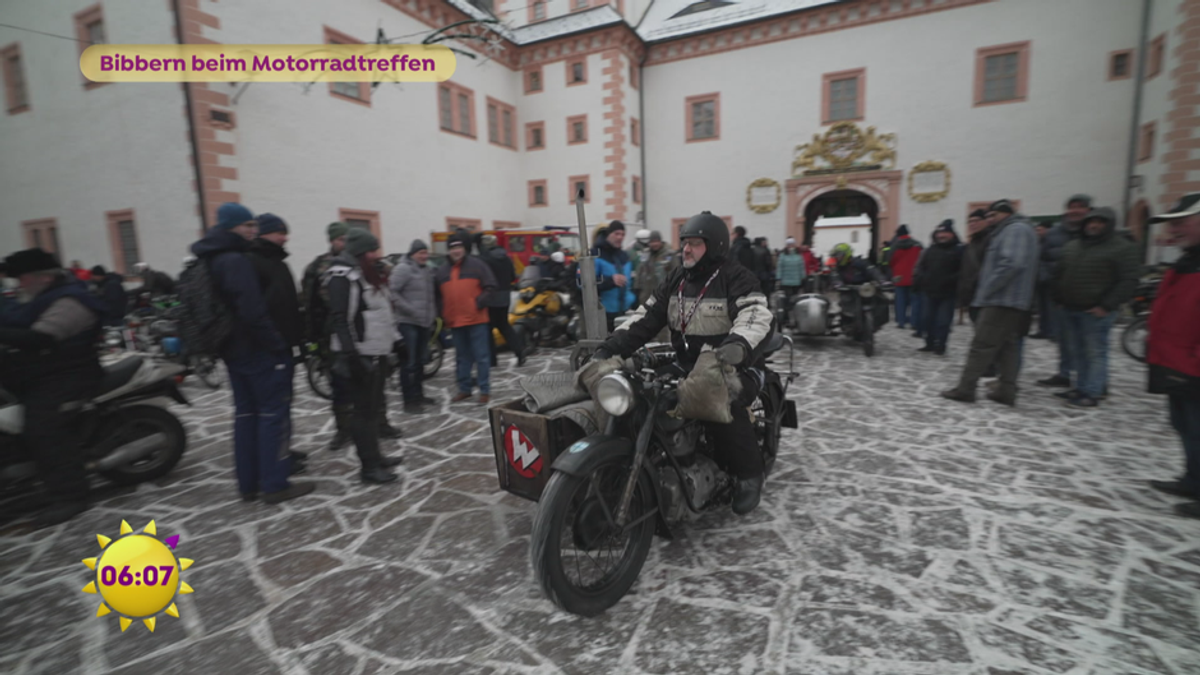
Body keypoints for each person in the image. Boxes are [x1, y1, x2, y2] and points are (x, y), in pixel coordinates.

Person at [583, 211, 774, 515]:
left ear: (715, 246)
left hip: (731, 365)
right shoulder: (677, 279)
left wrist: (736, 346)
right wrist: (608, 351)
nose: (686, 249)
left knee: (723, 403)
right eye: (685, 242)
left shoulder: (736, 277)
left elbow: (755, 315)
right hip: (687, 363)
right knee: (640, 395)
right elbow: (645, 318)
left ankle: (750, 474)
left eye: (695, 244)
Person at [190, 203, 313, 504]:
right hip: (259, 350)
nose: (251, 230)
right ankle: (274, 484)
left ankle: (249, 484)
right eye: (247, 226)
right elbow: (252, 309)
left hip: (233, 349)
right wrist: (276, 343)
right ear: (231, 226)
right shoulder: (236, 260)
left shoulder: (210, 258)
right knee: (273, 415)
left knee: (246, 415)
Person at [0, 249, 107, 527]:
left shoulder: (71, 299)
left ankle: (71, 495)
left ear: (42, 277)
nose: (18, 285)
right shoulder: (36, 298)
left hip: (71, 375)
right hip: (41, 374)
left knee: (43, 426)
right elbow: (14, 319)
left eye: (21, 279)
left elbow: (41, 338)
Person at [324, 228, 404, 484]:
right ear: (360, 252)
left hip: (377, 352)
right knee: (362, 412)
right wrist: (352, 356)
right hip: (360, 355)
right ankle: (369, 468)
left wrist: (397, 342)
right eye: (371, 251)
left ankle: (376, 456)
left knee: (372, 410)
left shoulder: (367, 274)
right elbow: (341, 319)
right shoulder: (342, 277)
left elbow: (381, 312)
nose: (376, 255)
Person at [941, 200, 1038, 406]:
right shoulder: (1012, 230)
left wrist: (987, 289)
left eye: (994, 215)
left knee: (981, 345)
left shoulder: (1015, 230)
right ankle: (1006, 390)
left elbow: (1012, 263)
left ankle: (966, 389)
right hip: (1009, 299)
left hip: (1002, 299)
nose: (990, 220)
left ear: (1006, 214)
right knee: (1007, 346)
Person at [1143, 193, 1200, 518]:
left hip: (1193, 363)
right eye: (1171, 223)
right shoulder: (1187, 260)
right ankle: (1193, 481)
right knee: (1184, 425)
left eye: (1181, 222)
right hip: (1176, 361)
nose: (1174, 229)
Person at [1051, 207, 1139, 408]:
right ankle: (1082, 387)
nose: (1094, 225)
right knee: (1079, 352)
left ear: (1109, 225)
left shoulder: (1122, 248)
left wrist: (1106, 305)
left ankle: (1093, 391)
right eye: (1091, 221)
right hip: (1069, 308)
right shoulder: (1073, 246)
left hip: (1096, 311)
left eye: (1100, 221)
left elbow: (1128, 280)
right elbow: (1059, 273)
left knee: (1095, 352)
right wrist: (1057, 297)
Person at [247, 213, 308, 471]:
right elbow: (256, 309)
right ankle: (275, 459)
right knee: (272, 407)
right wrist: (273, 340)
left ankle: (283, 450)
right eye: (279, 233)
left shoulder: (277, 261)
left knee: (283, 403)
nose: (285, 237)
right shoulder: (254, 262)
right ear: (264, 233)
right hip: (269, 347)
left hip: (284, 343)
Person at [302, 221, 351, 452]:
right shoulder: (318, 266)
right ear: (332, 241)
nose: (345, 243)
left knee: (369, 383)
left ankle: (377, 424)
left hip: (357, 332)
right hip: (329, 334)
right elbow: (310, 303)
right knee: (338, 384)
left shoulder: (358, 262)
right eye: (341, 239)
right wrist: (312, 334)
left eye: (347, 239)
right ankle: (343, 430)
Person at [1036, 194, 1093, 388]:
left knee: (1089, 344)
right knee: (1063, 339)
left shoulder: (1095, 230)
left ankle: (1093, 382)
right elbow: (1042, 258)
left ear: (1088, 210)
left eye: (1080, 207)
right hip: (1059, 295)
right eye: (1072, 207)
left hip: (1090, 297)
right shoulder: (1054, 233)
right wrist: (1047, 279)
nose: (1075, 211)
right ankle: (1065, 374)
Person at [436, 234, 498, 404]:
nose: (456, 251)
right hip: (455, 321)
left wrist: (477, 303)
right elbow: (438, 295)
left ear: (464, 249)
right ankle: (465, 389)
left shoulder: (478, 265)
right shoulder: (442, 271)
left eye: (459, 247)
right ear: (449, 250)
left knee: (482, 357)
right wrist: (443, 311)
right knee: (461, 357)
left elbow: (491, 286)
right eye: (453, 248)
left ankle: (484, 390)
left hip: (476, 319)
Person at [390, 239, 438, 413]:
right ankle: (409, 401)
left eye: (426, 253)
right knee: (408, 363)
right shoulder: (403, 269)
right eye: (421, 253)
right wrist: (410, 310)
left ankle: (419, 395)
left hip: (424, 323)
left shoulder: (427, 270)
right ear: (412, 254)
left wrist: (432, 315)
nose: (424, 256)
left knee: (420, 362)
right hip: (408, 323)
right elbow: (392, 292)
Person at [913, 221, 963, 355]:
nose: (942, 235)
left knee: (943, 321)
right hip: (929, 290)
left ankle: (941, 345)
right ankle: (929, 343)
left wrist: (951, 280)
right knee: (926, 319)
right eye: (939, 233)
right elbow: (921, 267)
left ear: (951, 234)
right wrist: (921, 280)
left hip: (948, 292)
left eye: (944, 233)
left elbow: (963, 270)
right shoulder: (930, 250)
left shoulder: (958, 250)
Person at [480, 234, 527, 367]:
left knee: (488, 328)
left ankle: (492, 359)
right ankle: (519, 351)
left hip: (491, 297)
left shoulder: (485, 259)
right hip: (505, 296)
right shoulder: (506, 258)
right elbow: (513, 277)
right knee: (504, 326)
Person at [593, 221, 636, 331]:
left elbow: (630, 283)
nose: (620, 237)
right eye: (616, 234)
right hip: (604, 313)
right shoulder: (595, 255)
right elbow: (584, 283)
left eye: (622, 234)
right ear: (608, 234)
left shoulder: (624, 256)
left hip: (625, 310)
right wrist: (610, 281)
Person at [956, 210, 991, 324]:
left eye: (976, 220)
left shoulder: (991, 240)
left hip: (985, 294)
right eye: (970, 221)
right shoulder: (972, 242)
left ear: (986, 221)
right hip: (972, 294)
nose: (972, 224)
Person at [889, 225, 924, 332]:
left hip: (899, 277)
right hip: (914, 276)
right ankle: (914, 322)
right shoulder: (917, 245)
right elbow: (923, 259)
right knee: (915, 301)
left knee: (900, 301)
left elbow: (891, 261)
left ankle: (901, 321)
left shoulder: (895, 246)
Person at [634, 231, 677, 306]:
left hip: (663, 295)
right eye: (652, 242)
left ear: (660, 241)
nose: (654, 244)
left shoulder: (669, 255)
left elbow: (676, 272)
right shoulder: (645, 254)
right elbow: (639, 270)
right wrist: (637, 288)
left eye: (656, 241)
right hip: (646, 294)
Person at [1031, 222, 1055, 339]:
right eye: (1036, 230)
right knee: (1042, 308)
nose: (1037, 232)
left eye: (1039, 230)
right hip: (1039, 279)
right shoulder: (1037, 243)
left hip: (1049, 280)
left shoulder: (1050, 243)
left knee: (1050, 308)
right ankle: (1043, 330)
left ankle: (1052, 331)